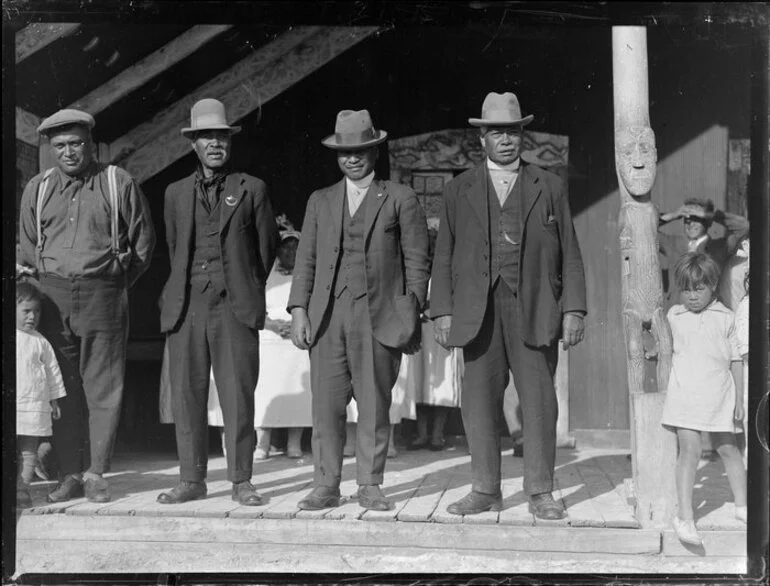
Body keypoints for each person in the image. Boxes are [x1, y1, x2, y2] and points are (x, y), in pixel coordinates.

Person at [431, 92, 586, 519]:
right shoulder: (458, 188)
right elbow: (443, 254)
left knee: (538, 399)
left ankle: (540, 491)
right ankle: (485, 489)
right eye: (496, 132)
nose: (506, 139)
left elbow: (569, 251)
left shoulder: (549, 185)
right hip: (476, 310)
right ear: (481, 138)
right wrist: (441, 310)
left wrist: (574, 309)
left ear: (523, 136)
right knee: (478, 400)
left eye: (513, 132)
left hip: (534, 305)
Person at [289, 109, 430, 511]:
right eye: (344, 152)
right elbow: (306, 261)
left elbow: (417, 261)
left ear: (375, 151)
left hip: (379, 317)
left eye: (360, 151)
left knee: (373, 405)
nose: (352, 159)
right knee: (326, 406)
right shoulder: (321, 200)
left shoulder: (400, 197)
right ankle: (326, 484)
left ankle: (369, 484)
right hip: (327, 317)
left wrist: (410, 314)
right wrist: (299, 309)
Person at [18, 109, 156, 503]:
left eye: (76, 143)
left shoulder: (116, 182)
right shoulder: (38, 188)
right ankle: (69, 474)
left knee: (102, 386)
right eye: (60, 146)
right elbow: (28, 244)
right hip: (52, 295)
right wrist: (49, 281)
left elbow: (143, 245)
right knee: (61, 389)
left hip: (104, 294)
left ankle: (96, 472)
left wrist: (113, 283)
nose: (69, 152)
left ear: (90, 143)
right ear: (50, 149)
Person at [157, 98, 278, 506]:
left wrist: (241, 286)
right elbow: (175, 247)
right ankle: (191, 479)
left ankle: (241, 479)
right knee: (187, 395)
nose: (215, 144)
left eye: (221, 136)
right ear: (193, 143)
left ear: (230, 142)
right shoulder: (174, 194)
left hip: (234, 305)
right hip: (186, 305)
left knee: (238, 393)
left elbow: (265, 252)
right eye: (206, 136)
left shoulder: (252, 188)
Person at [661, 252, 746, 546]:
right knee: (690, 451)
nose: (692, 296)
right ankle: (685, 517)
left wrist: (739, 399)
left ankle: (744, 506)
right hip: (684, 394)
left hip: (719, 394)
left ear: (712, 285)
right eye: (686, 289)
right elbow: (663, 348)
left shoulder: (726, 318)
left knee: (728, 448)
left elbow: (735, 360)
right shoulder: (674, 316)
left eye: (699, 288)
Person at [16, 281, 67, 508]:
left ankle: (22, 489)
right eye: (26, 311)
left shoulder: (41, 342)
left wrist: (54, 400)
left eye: (36, 311)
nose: (32, 317)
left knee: (29, 452)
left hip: (34, 405)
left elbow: (53, 373)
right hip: (14, 404)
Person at [658, 197, 749, 308]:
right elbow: (644, 231)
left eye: (697, 218)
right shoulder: (673, 244)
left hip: (710, 315)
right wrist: (673, 215)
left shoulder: (719, 247)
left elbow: (744, 227)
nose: (691, 224)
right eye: (687, 219)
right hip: (676, 314)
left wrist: (712, 215)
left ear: (708, 222)